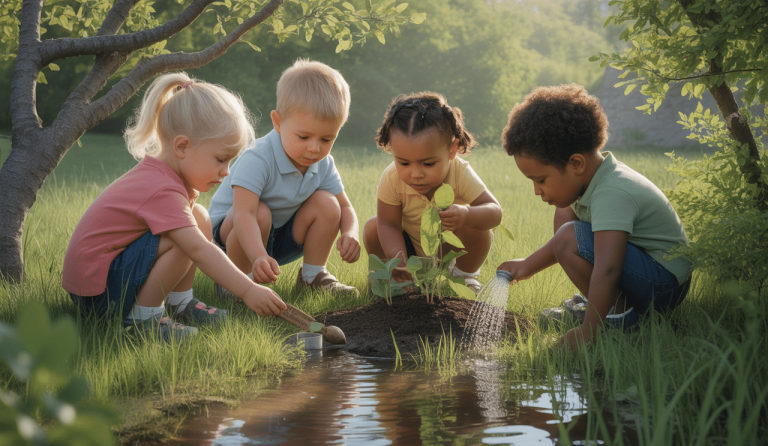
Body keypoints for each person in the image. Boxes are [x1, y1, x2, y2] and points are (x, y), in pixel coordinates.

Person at [62, 72, 286, 342]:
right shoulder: (162, 188)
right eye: (220, 159)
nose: (226, 172)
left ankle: (180, 304)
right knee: (185, 239)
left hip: (101, 280)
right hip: (98, 295)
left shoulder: (164, 177)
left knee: (198, 217)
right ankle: (143, 320)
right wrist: (248, 290)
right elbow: (197, 249)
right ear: (182, 146)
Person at [497, 83, 693, 351]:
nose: (536, 191)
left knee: (568, 236)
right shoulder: (593, 181)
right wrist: (528, 265)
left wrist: (588, 331)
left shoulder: (612, 192)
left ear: (576, 164)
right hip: (651, 273)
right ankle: (607, 307)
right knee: (565, 216)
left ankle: (618, 319)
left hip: (664, 285)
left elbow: (608, 267)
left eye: (541, 180)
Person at [208, 59, 360, 295]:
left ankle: (313, 276)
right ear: (278, 122)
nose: (314, 148)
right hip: (232, 237)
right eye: (303, 137)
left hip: (277, 236)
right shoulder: (258, 158)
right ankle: (236, 281)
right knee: (260, 211)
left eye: (326, 139)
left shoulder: (322, 163)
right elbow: (244, 214)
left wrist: (351, 233)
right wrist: (257, 255)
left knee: (328, 204)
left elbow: (345, 208)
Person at [363, 92, 502, 293]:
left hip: (447, 250)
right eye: (404, 162)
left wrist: (466, 215)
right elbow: (388, 224)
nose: (416, 174)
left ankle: (464, 277)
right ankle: (397, 278)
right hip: (408, 250)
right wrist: (397, 259)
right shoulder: (391, 178)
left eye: (428, 163)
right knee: (372, 227)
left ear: (452, 150)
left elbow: (495, 212)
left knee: (478, 226)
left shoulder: (460, 172)